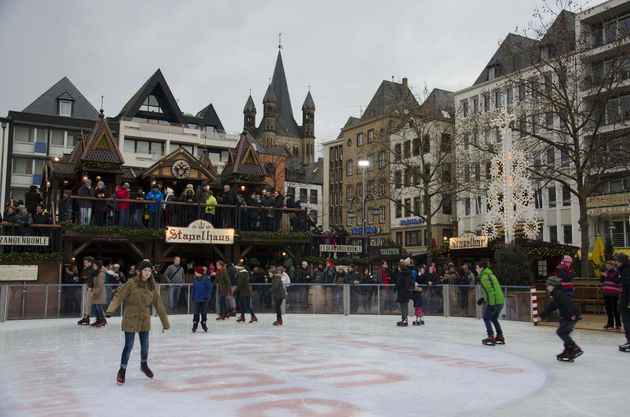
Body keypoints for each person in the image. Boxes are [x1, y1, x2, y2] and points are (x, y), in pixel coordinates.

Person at [106, 260, 169, 385]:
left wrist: (165, 323)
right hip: (130, 318)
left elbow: (159, 305)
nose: (147, 273)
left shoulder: (152, 286)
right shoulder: (131, 283)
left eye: (149, 271)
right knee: (129, 345)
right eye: (145, 270)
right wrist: (110, 310)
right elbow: (119, 296)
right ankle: (122, 370)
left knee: (145, 345)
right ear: (140, 272)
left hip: (144, 319)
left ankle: (143, 364)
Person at [537, 276, 583, 361]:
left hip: (570, 316)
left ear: (553, 285)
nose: (547, 287)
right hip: (567, 316)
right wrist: (541, 316)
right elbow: (552, 307)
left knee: (561, 332)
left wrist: (571, 315)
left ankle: (574, 348)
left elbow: (566, 304)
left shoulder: (558, 293)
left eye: (548, 285)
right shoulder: (557, 294)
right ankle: (568, 350)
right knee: (564, 333)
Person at [476, 261, 505, 346]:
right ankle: (499, 335)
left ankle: (490, 336)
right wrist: (483, 298)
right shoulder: (491, 275)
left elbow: (491, 292)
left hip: (495, 302)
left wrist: (491, 304)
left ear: (481, 268)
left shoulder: (484, 277)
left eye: (477, 267)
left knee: (486, 318)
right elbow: (492, 290)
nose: (476, 269)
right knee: (493, 318)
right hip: (500, 301)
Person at [615, 253, 630, 352]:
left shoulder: (626, 271)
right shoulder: (623, 270)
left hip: (627, 299)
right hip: (625, 297)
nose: (616, 262)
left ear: (622, 261)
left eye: (617, 260)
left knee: (627, 319)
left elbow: (628, 286)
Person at [600, 260, 622, 330]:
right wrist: (602, 276)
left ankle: (618, 324)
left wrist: (608, 276)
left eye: (609, 265)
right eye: (607, 265)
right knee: (608, 309)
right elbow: (601, 281)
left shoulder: (617, 272)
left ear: (613, 266)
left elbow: (617, 281)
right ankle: (610, 324)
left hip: (614, 293)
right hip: (606, 293)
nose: (607, 266)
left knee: (614, 309)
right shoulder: (606, 272)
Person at [394, 258, 415, 326]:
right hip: (406, 291)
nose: (398, 268)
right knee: (404, 306)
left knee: (403, 307)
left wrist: (395, 289)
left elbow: (398, 282)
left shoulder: (401, 274)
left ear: (400, 268)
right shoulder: (408, 273)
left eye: (398, 267)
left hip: (402, 292)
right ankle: (404, 319)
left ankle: (404, 320)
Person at [191, 266, 212, 333]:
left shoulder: (206, 279)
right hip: (197, 299)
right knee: (196, 312)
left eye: (196, 272)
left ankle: (203, 322)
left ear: (199, 273)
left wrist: (207, 296)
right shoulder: (195, 280)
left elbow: (209, 289)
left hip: (204, 299)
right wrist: (193, 296)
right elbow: (193, 289)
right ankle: (195, 323)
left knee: (203, 312)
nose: (195, 273)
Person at [77, 256, 95, 325]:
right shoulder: (85, 269)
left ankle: (87, 317)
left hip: (90, 288)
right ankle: (85, 317)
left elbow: (93, 279)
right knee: (85, 303)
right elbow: (81, 277)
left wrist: (90, 285)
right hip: (84, 287)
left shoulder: (92, 269)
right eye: (84, 262)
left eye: (86, 262)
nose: (85, 264)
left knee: (88, 303)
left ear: (90, 262)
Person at [90, 260, 107, 327]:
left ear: (98, 266)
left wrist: (96, 293)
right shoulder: (96, 273)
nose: (93, 267)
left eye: (94, 265)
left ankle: (102, 320)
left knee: (98, 307)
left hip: (100, 293)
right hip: (96, 292)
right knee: (96, 307)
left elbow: (100, 285)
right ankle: (98, 320)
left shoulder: (101, 274)